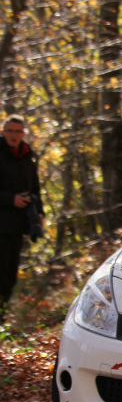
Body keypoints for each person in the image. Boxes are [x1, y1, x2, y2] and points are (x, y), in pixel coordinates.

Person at [0, 115, 43, 320]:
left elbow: (35, 187)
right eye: (9, 131)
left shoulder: (27, 156)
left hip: (17, 226)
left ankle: (2, 318)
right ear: (3, 132)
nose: (13, 135)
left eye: (18, 131)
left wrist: (40, 213)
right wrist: (11, 199)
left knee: (9, 278)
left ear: (23, 134)